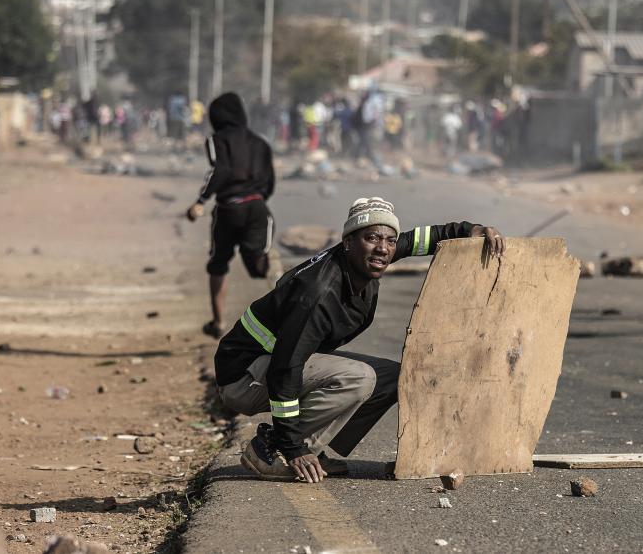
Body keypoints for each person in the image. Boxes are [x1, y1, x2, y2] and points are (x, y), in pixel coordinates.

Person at [215, 197, 506, 483]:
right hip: (244, 376)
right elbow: (285, 370)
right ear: (348, 242)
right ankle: (272, 449)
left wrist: (471, 230)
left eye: (389, 241)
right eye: (372, 238)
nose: (384, 248)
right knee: (359, 377)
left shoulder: (364, 257)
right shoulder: (318, 294)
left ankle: (310, 448)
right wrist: (291, 446)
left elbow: (418, 239)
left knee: (393, 377)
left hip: (272, 364)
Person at [186, 92, 278, 339]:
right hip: (258, 209)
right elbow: (269, 182)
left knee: (218, 263)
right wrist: (254, 200)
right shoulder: (261, 144)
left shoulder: (217, 140)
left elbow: (221, 170)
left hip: (228, 210)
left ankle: (218, 322)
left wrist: (201, 200)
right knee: (259, 267)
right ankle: (284, 299)